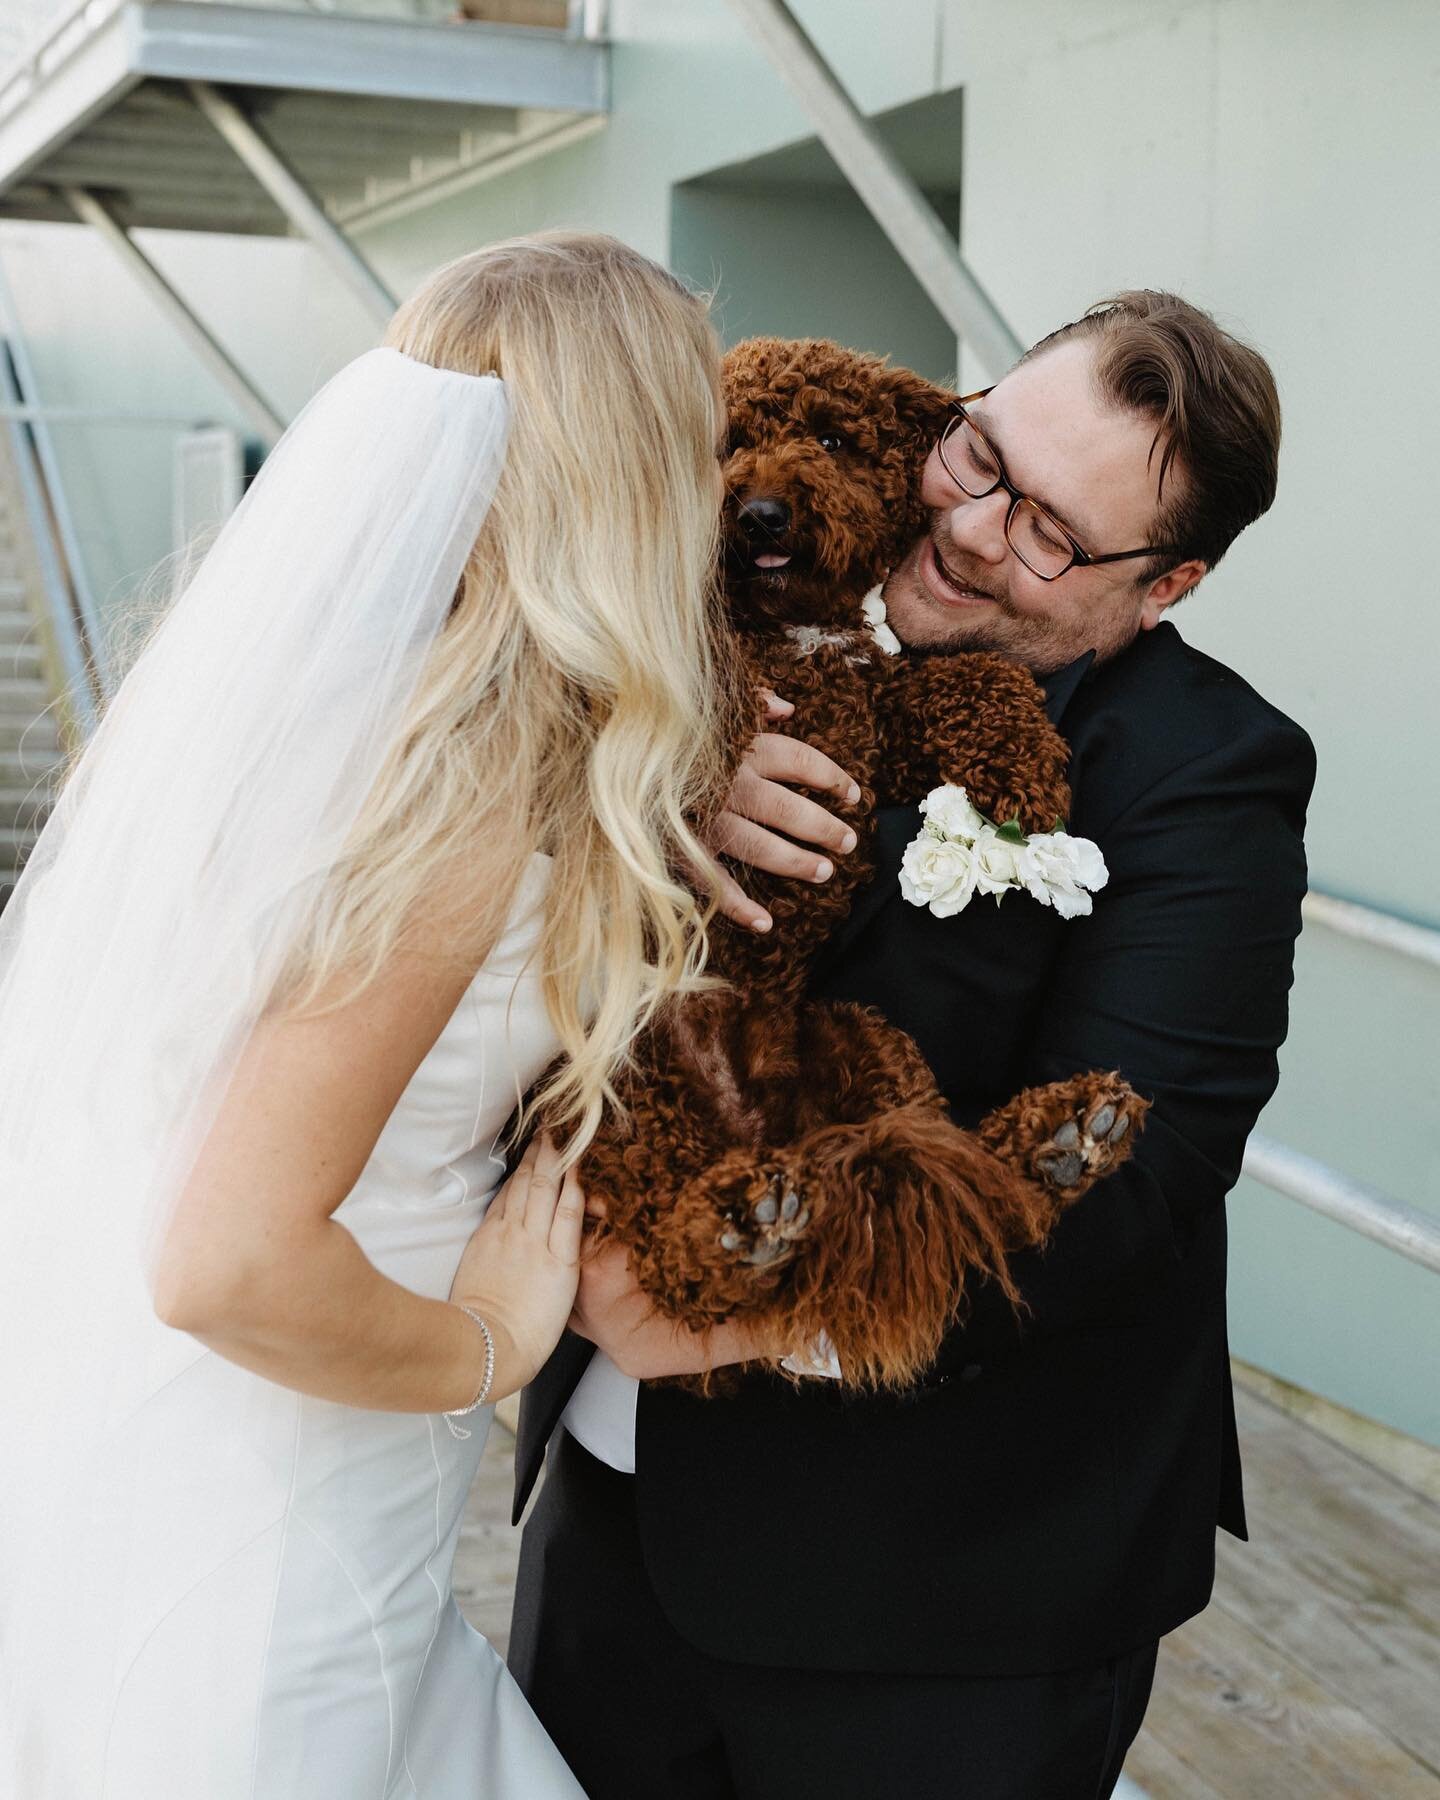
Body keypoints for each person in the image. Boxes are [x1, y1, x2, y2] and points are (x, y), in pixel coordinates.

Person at [509, 290, 1317, 1800]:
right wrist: (662, 786)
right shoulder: (718, 597)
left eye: (1052, 536)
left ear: (1168, 585)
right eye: (981, 454)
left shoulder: (1209, 769)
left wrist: (706, 1325)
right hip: (618, 1506)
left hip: (951, 1595)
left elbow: (1141, 1163)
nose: (968, 529)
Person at [0, 232, 743, 1798]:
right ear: (632, 474)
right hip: (279, 1530)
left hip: (206, 1480)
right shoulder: (462, 794)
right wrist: (491, 1342)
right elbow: (228, 1260)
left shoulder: (314, 717)